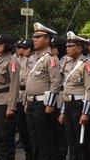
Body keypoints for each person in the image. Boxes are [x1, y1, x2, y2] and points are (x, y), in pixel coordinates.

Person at [25, 22, 62, 160]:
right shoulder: (32, 58)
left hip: (43, 104)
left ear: (47, 39)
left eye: (38, 36)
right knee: (33, 139)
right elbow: (29, 81)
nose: (34, 39)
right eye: (34, 36)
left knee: (44, 140)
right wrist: (26, 101)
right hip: (31, 103)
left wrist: (51, 104)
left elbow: (55, 82)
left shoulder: (51, 58)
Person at [57, 31, 90, 160]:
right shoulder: (67, 63)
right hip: (68, 104)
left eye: (70, 46)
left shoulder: (87, 63)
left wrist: (86, 113)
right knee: (71, 142)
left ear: (79, 48)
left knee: (82, 142)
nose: (67, 48)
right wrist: (62, 111)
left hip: (80, 105)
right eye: (67, 46)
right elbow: (65, 89)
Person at [0, 34, 20, 160]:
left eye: (0, 44)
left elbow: (14, 84)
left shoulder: (12, 61)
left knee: (6, 136)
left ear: (7, 45)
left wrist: (11, 107)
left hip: (5, 102)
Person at [15, 39, 33, 159]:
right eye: (20, 47)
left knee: (31, 129)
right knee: (22, 128)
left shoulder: (34, 61)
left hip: (29, 96)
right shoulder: (18, 60)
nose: (21, 50)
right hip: (19, 97)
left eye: (25, 48)